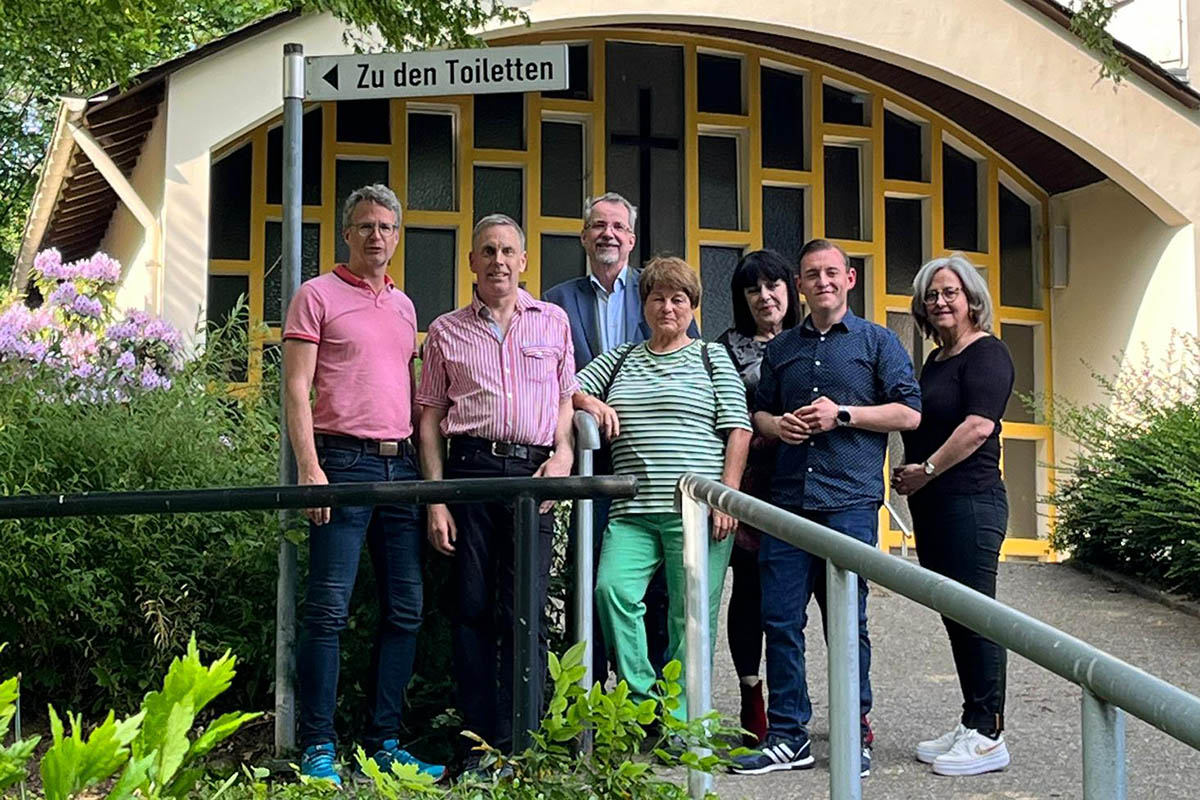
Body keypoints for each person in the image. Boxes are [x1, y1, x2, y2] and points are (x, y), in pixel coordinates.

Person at [731, 238, 921, 779]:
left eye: (830, 273)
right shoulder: (782, 349)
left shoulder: (878, 341)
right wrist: (778, 425)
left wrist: (843, 415)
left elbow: (909, 414)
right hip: (787, 504)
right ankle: (789, 736)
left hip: (849, 503)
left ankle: (853, 730)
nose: (822, 282)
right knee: (781, 621)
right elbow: (760, 415)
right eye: (811, 275)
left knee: (846, 623)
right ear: (801, 286)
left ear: (850, 278)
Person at [283, 184, 444, 785]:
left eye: (386, 227)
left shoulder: (405, 306)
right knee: (328, 611)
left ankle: (384, 742)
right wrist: (310, 468)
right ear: (346, 234)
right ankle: (317, 746)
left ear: (397, 237)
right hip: (341, 464)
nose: (377, 236)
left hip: (399, 467)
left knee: (406, 609)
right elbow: (296, 389)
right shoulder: (316, 296)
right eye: (366, 226)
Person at [416, 213, 576, 766]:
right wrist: (435, 497)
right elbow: (430, 418)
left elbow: (564, 401)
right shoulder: (445, 331)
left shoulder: (553, 322)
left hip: (533, 478)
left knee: (525, 608)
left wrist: (564, 457)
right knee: (471, 609)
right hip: (469, 473)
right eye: (488, 251)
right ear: (472, 263)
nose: (499, 260)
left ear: (524, 261)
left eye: (509, 251)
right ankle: (477, 743)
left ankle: (524, 743)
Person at [573, 256, 751, 723]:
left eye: (678, 299)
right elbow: (564, 385)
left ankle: (683, 723)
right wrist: (589, 400)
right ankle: (641, 697)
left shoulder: (712, 357)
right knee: (612, 591)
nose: (667, 307)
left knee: (689, 620)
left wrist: (726, 498)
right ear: (643, 305)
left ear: (693, 306)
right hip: (631, 510)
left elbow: (739, 428)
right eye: (657, 298)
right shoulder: (620, 359)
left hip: (696, 512)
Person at [543, 192, 695, 682]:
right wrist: (586, 404)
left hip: (650, 460)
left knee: (661, 591)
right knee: (594, 577)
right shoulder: (558, 300)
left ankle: (652, 696)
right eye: (597, 225)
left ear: (631, 238)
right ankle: (597, 684)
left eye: (617, 227)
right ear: (584, 236)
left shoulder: (656, 291)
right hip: (588, 458)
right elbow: (553, 377)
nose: (607, 234)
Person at [892, 253, 1014, 776]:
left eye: (950, 292)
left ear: (971, 299)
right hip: (936, 507)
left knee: (977, 614)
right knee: (955, 614)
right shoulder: (936, 360)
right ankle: (972, 720)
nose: (940, 302)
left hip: (971, 501)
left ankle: (990, 734)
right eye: (931, 295)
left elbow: (978, 427)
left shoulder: (987, 354)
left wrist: (926, 469)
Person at [714, 249, 800, 746]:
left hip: (808, 484)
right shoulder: (725, 347)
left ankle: (838, 703)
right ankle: (752, 693)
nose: (764, 297)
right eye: (753, 289)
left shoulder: (813, 339)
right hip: (751, 483)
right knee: (750, 594)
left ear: (790, 288)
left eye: (773, 286)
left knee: (813, 598)